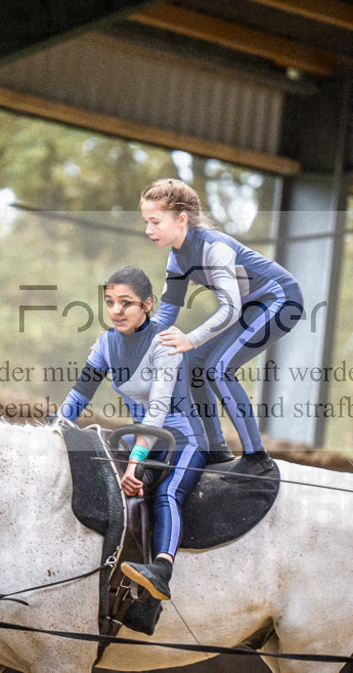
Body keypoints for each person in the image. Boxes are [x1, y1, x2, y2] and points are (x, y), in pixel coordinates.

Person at [59, 266, 208, 601]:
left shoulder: (166, 341)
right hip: (139, 434)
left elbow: (157, 412)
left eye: (126, 303)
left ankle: (161, 570)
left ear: (147, 305)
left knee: (167, 492)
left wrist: (134, 463)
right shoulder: (105, 344)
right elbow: (79, 396)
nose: (116, 310)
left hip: (182, 439)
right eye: (110, 302)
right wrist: (53, 432)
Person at [142, 178, 304, 478]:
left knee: (217, 368)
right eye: (146, 221)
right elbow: (167, 312)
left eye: (155, 221)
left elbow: (229, 308)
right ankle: (216, 449)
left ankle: (257, 457)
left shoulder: (214, 248)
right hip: (251, 305)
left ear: (181, 219)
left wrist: (190, 338)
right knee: (191, 364)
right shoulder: (177, 256)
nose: (148, 229)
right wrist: (127, 338)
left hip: (280, 299)